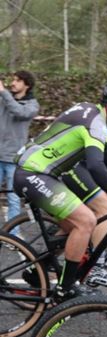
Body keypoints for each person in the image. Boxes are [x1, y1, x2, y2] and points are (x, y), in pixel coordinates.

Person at [14, 78, 107, 301]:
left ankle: (39, 269)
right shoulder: (95, 123)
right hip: (33, 173)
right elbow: (96, 166)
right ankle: (66, 288)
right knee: (86, 221)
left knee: (74, 227)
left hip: (42, 174)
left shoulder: (92, 114)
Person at [0, 70, 40, 236]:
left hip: (13, 159)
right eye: (13, 80)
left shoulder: (32, 105)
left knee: (13, 199)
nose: (13, 83)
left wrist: (3, 92)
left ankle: (13, 235)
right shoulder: (4, 99)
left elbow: (19, 112)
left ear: (27, 85)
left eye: (17, 80)